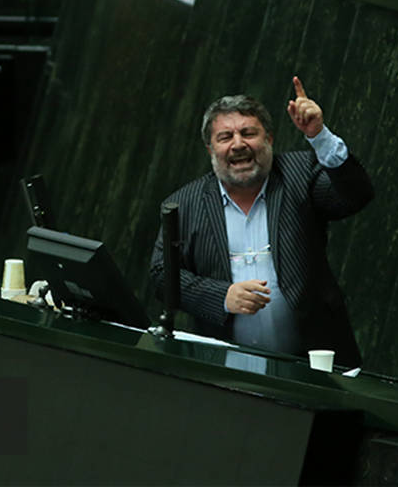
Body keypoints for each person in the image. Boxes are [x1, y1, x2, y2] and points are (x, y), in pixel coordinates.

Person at [150, 77, 374, 366]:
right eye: (225, 137)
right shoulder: (185, 204)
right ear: (210, 150)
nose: (238, 144)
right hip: (225, 367)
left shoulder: (300, 174)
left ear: (269, 139)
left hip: (314, 363)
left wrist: (319, 136)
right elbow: (161, 274)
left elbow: (357, 196)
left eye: (248, 133)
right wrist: (222, 296)